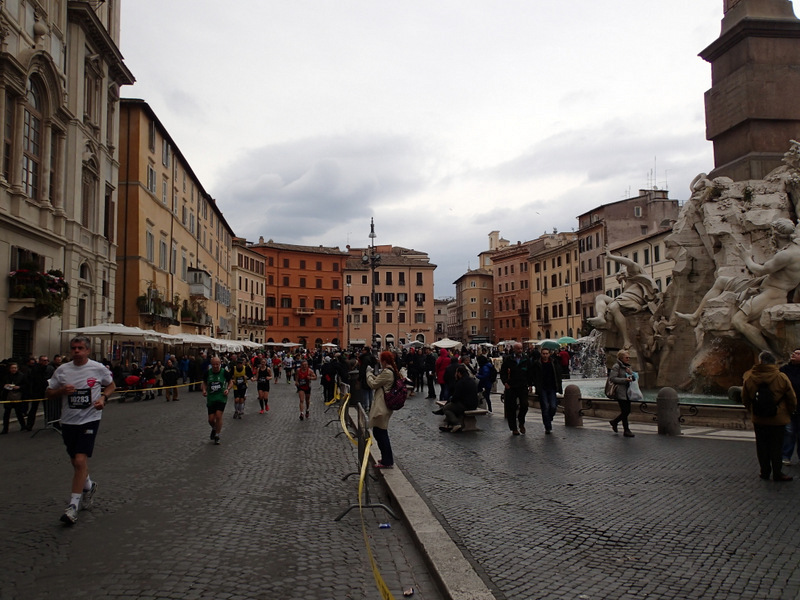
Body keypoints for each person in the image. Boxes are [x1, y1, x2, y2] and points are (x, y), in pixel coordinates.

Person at [46, 336, 115, 525]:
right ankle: (89, 486)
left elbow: (111, 385)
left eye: (80, 348)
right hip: (68, 421)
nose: (76, 351)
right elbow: (49, 392)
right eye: (73, 348)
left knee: (79, 460)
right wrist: (61, 392)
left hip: (90, 420)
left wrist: (103, 398)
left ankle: (73, 506)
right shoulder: (62, 370)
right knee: (75, 463)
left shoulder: (97, 368)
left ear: (87, 351)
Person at [588, 247, 661, 350]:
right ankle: (601, 317)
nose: (621, 273)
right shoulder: (628, 282)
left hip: (635, 300)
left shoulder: (635, 272)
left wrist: (611, 257)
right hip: (624, 300)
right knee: (600, 297)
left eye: (622, 270)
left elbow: (630, 263)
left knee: (613, 306)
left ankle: (626, 340)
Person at [742, 351, 797, 481]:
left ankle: (764, 471)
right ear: (773, 362)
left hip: (759, 418)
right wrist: (789, 411)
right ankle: (778, 473)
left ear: (760, 361)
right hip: (778, 418)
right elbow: (791, 398)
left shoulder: (749, 377)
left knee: (761, 445)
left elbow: (744, 398)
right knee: (777, 446)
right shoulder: (781, 377)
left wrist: (753, 410)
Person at [367, 351, 399, 468]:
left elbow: (374, 384)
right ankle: (386, 458)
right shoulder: (391, 371)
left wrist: (368, 374)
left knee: (380, 432)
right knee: (379, 431)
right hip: (384, 405)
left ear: (384, 361)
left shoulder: (387, 372)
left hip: (383, 406)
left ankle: (387, 460)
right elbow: (380, 381)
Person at [500, 342, 533, 435]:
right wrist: (505, 382)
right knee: (511, 408)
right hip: (511, 386)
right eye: (518, 349)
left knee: (525, 405)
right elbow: (503, 372)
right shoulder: (508, 359)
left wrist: (530, 384)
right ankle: (513, 428)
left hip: (522, 386)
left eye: (521, 349)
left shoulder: (526, 359)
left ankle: (521, 421)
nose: (520, 351)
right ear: (514, 349)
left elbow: (530, 372)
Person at [435, 365, 480, 433]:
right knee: (452, 406)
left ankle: (456, 424)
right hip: (474, 403)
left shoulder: (461, 382)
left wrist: (451, 401)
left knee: (446, 409)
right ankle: (450, 425)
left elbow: (456, 397)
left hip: (465, 404)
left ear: (459, 373)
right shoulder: (471, 380)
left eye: (456, 373)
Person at [532, 347, 563, 434]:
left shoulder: (554, 362)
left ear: (549, 354)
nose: (545, 355)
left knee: (553, 406)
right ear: (541, 354)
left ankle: (549, 418)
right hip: (542, 388)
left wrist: (559, 385)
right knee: (545, 407)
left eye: (546, 353)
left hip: (552, 387)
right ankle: (548, 427)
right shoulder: (537, 363)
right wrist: (533, 385)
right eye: (543, 354)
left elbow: (558, 374)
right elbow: (533, 375)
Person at [202, 356, 231, 445]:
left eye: (217, 364)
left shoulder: (224, 372)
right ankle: (214, 428)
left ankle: (217, 435)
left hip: (221, 397)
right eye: (213, 364)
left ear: (220, 364)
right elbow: (204, 382)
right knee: (211, 420)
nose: (215, 366)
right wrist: (204, 390)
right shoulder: (207, 373)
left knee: (218, 416)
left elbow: (230, 382)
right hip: (211, 398)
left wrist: (228, 389)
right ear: (211, 364)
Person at [607, 350, 636, 438]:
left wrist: (631, 374)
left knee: (627, 411)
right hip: (620, 392)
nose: (628, 359)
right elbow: (612, 378)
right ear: (621, 358)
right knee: (625, 411)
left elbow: (634, 378)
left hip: (628, 392)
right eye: (626, 357)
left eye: (629, 357)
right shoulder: (616, 366)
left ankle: (615, 422)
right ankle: (626, 430)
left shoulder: (627, 367)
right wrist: (625, 380)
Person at [781, 348, 800, 466]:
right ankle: (786, 455)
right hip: (788, 406)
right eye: (794, 353)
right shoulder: (784, 370)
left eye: (797, 354)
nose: (794, 354)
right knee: (789, 432)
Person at [25, 355, 54, 431]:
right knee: (33, 408)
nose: (46, 362)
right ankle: (29, 425)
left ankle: (49, 423)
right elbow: (32, 380)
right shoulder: (35, 369)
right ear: (40, 361)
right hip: (37, 391)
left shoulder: (50, 368)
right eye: (44, 360)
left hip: (46, 390)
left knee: (47, 408)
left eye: (47, 360)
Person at [1, 362, 27, 434]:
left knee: (18, 412)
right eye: (12, 368)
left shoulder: (21, 376)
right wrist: (5, 385)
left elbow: (26, 385)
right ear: (9, 369)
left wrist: (19, 387)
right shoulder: (6, 376)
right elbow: (2, 384)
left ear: (17, 368)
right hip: (8, 396)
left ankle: (23, 425)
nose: (14, 369)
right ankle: (5, 429)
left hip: (17, 395)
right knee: (6, 413)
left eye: (15, 368)